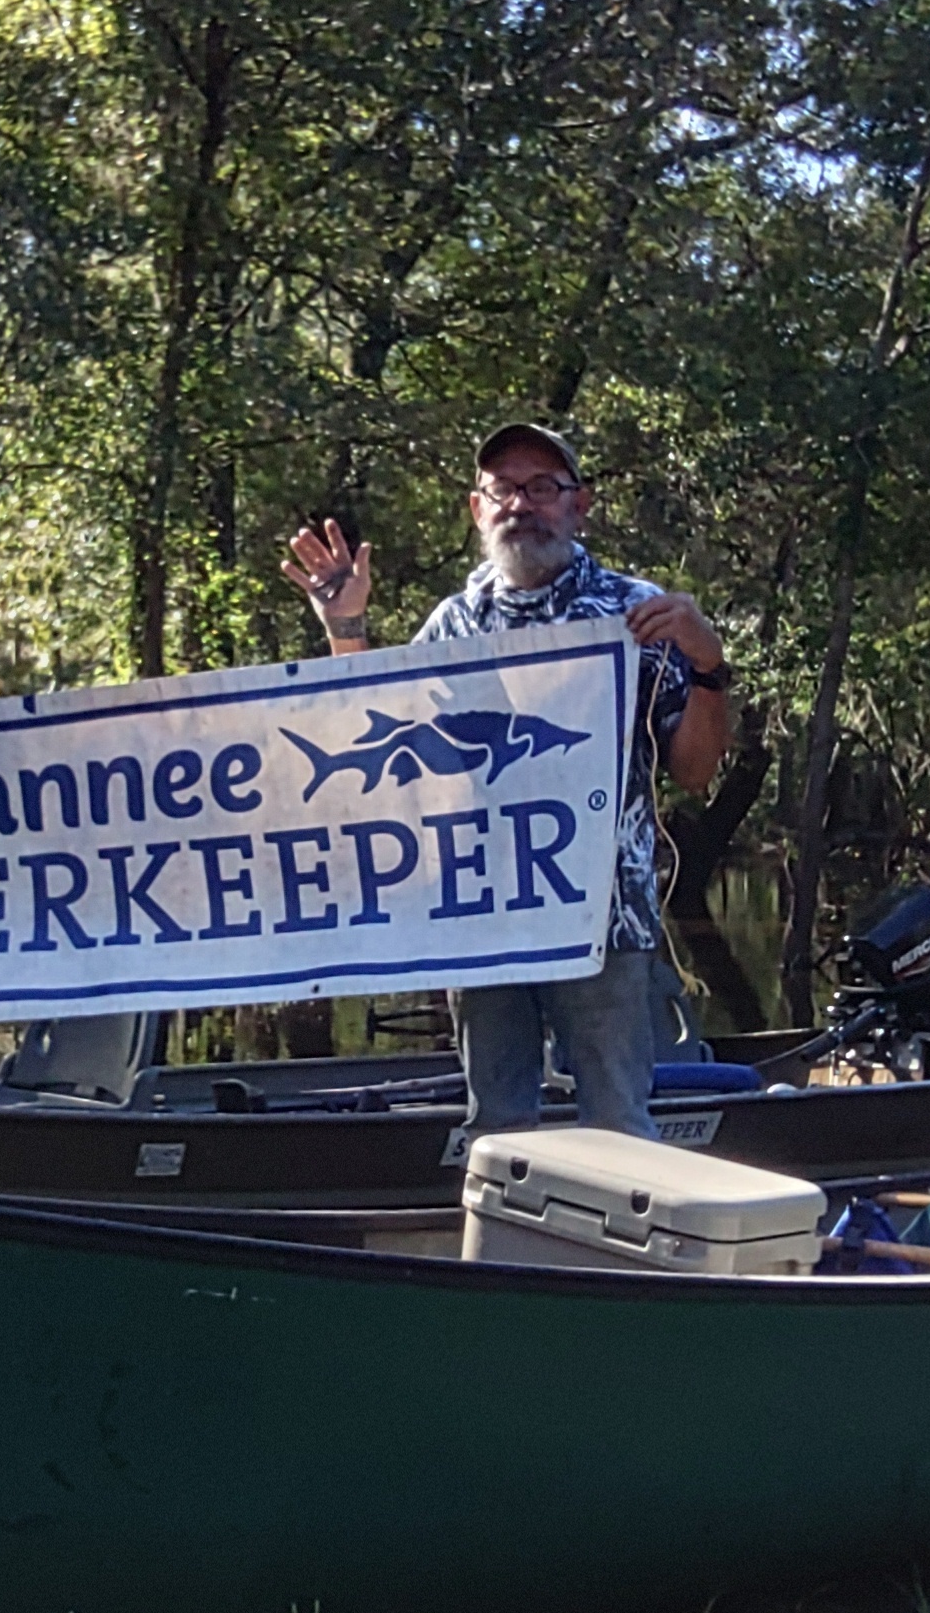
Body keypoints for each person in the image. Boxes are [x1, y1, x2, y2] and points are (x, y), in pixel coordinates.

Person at [281, 420, 732, 1139]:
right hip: (480, 920)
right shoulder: (452, 624)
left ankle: (619, 1253)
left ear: (578, 506)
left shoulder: (640, 614)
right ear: (477, 508)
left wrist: (708, 664)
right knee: (496, 1128)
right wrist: (347, 624)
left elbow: (694, 771)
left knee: (619, 1125)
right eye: (505, 489)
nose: (522, 504)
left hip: (603, 923)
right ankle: (509, 1245)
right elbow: (379, 744)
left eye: (543, 487)